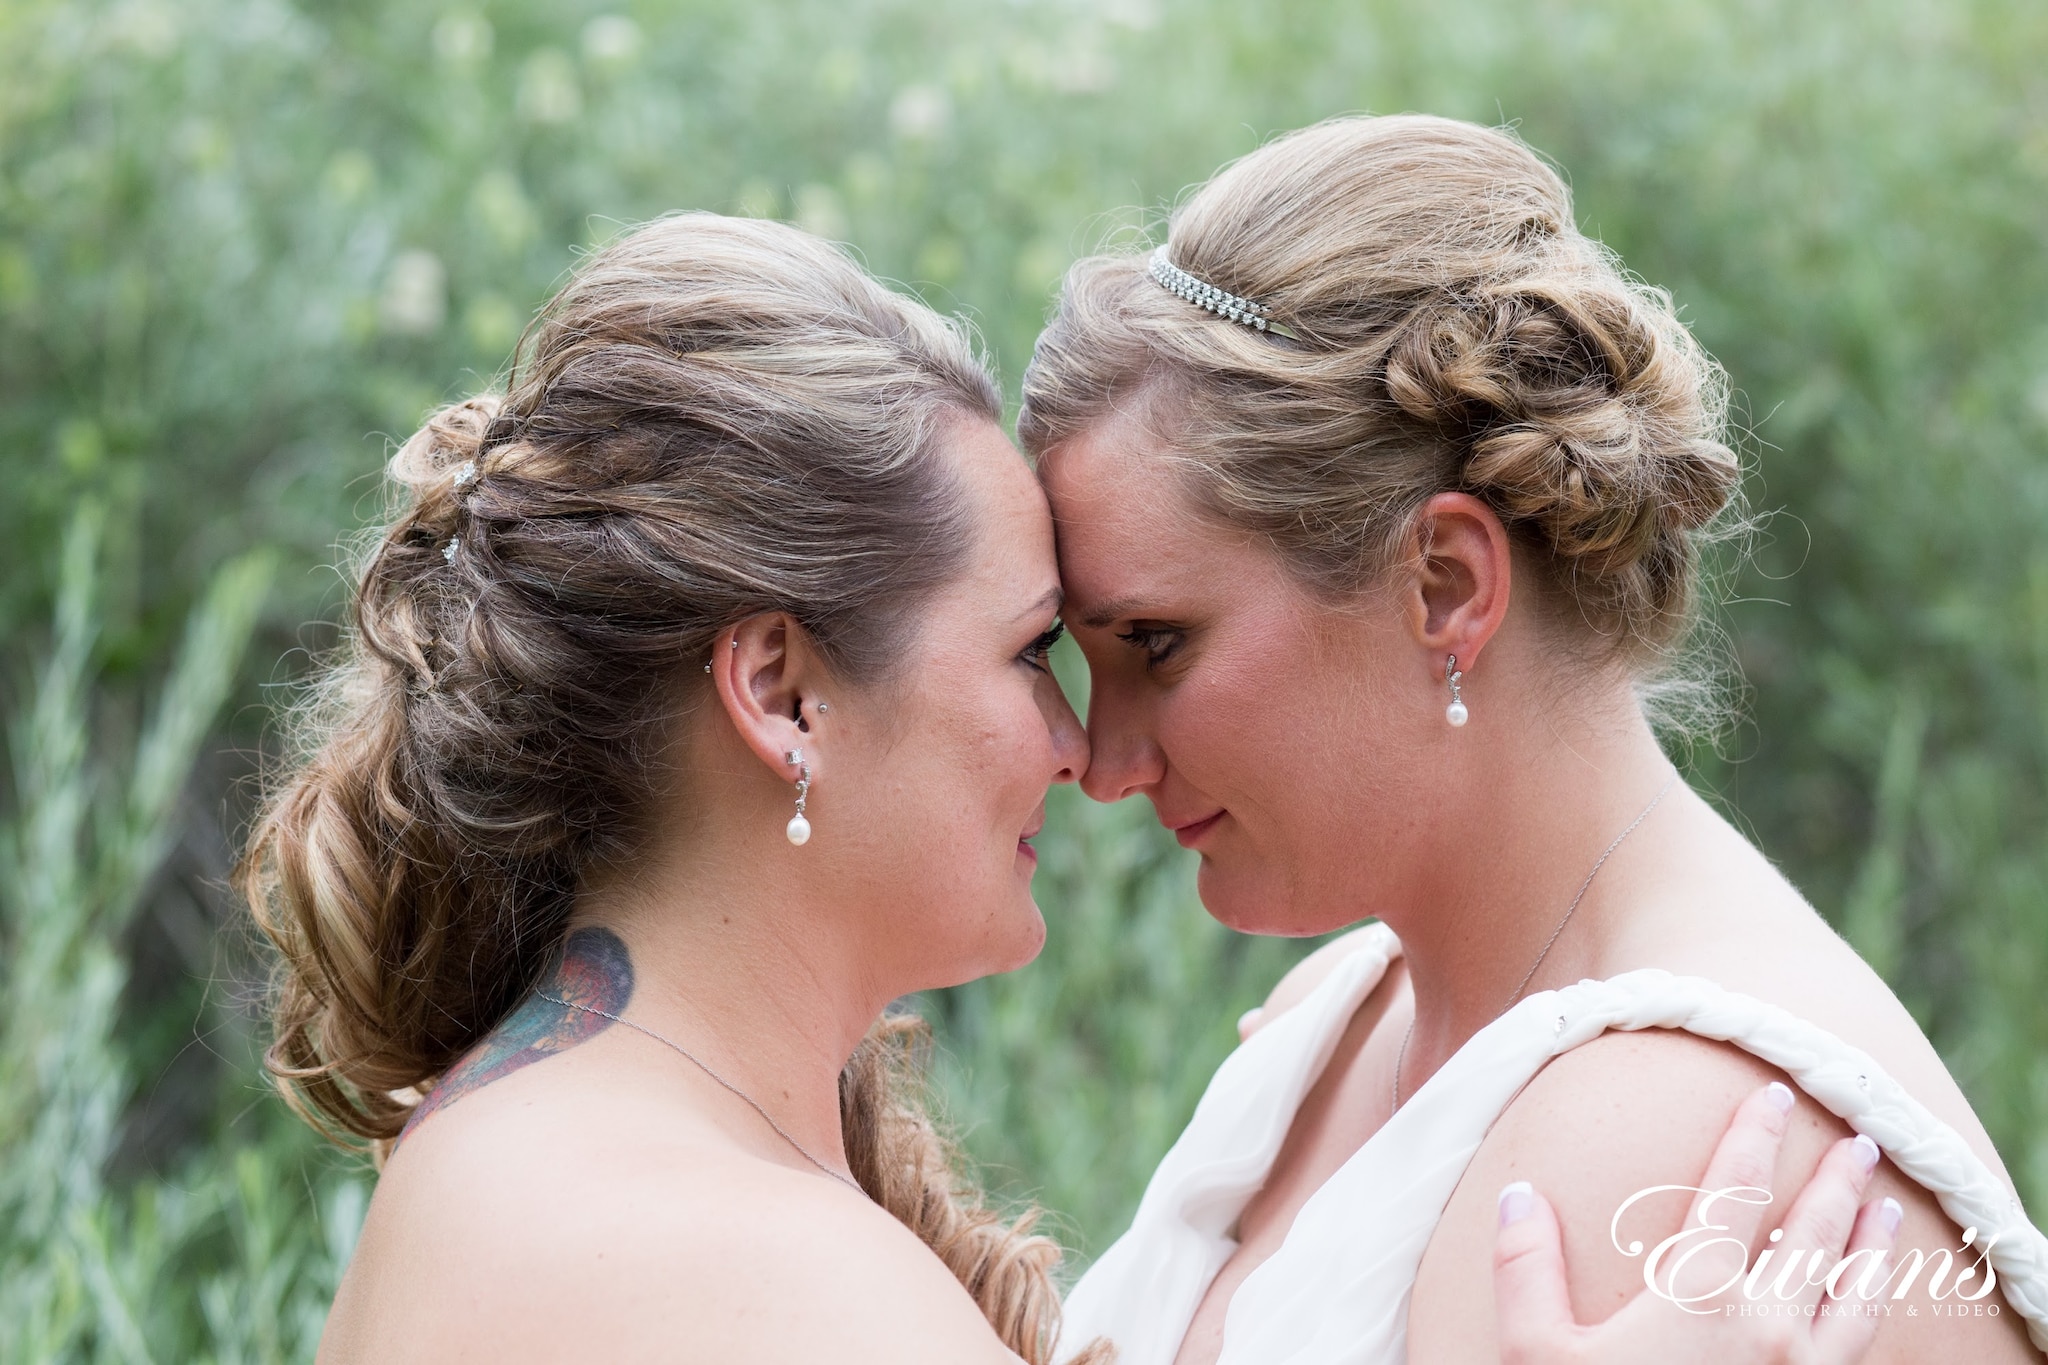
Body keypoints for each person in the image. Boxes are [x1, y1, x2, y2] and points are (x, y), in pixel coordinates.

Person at [241, 210, 1894, 1365]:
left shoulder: (522, 1151)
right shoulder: (751, 1281)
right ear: (779, 692)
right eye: (1036, 652)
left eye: (1139, 649)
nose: (1082, 752)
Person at [1019, 114, 2048, 1363]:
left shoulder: (1659, 1131)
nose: (1102, 761)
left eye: (1155, 644)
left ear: (1444, 585)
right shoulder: (1337, 1021)